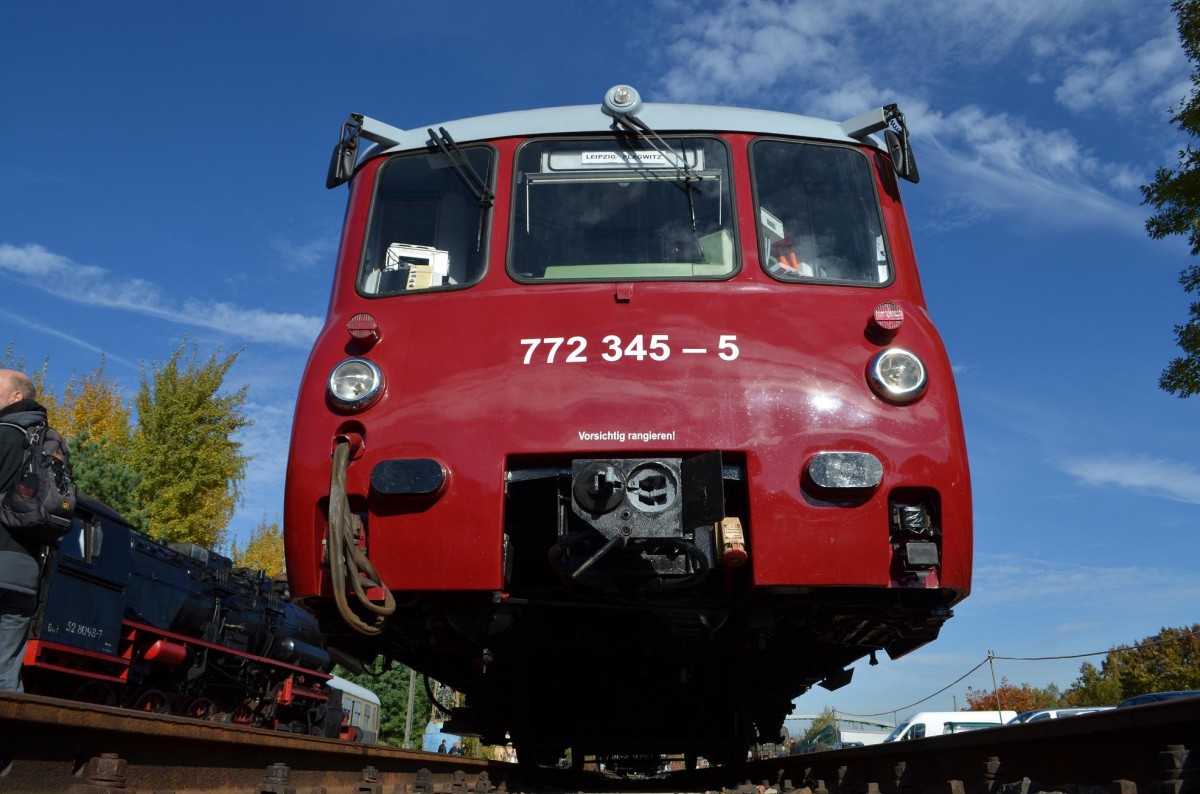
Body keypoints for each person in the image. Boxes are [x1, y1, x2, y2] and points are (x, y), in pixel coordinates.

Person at [0, 369, 48, 693]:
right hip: (26, 572)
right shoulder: (48, 441)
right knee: (5, 673)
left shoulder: (5, 433)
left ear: (16, 396)